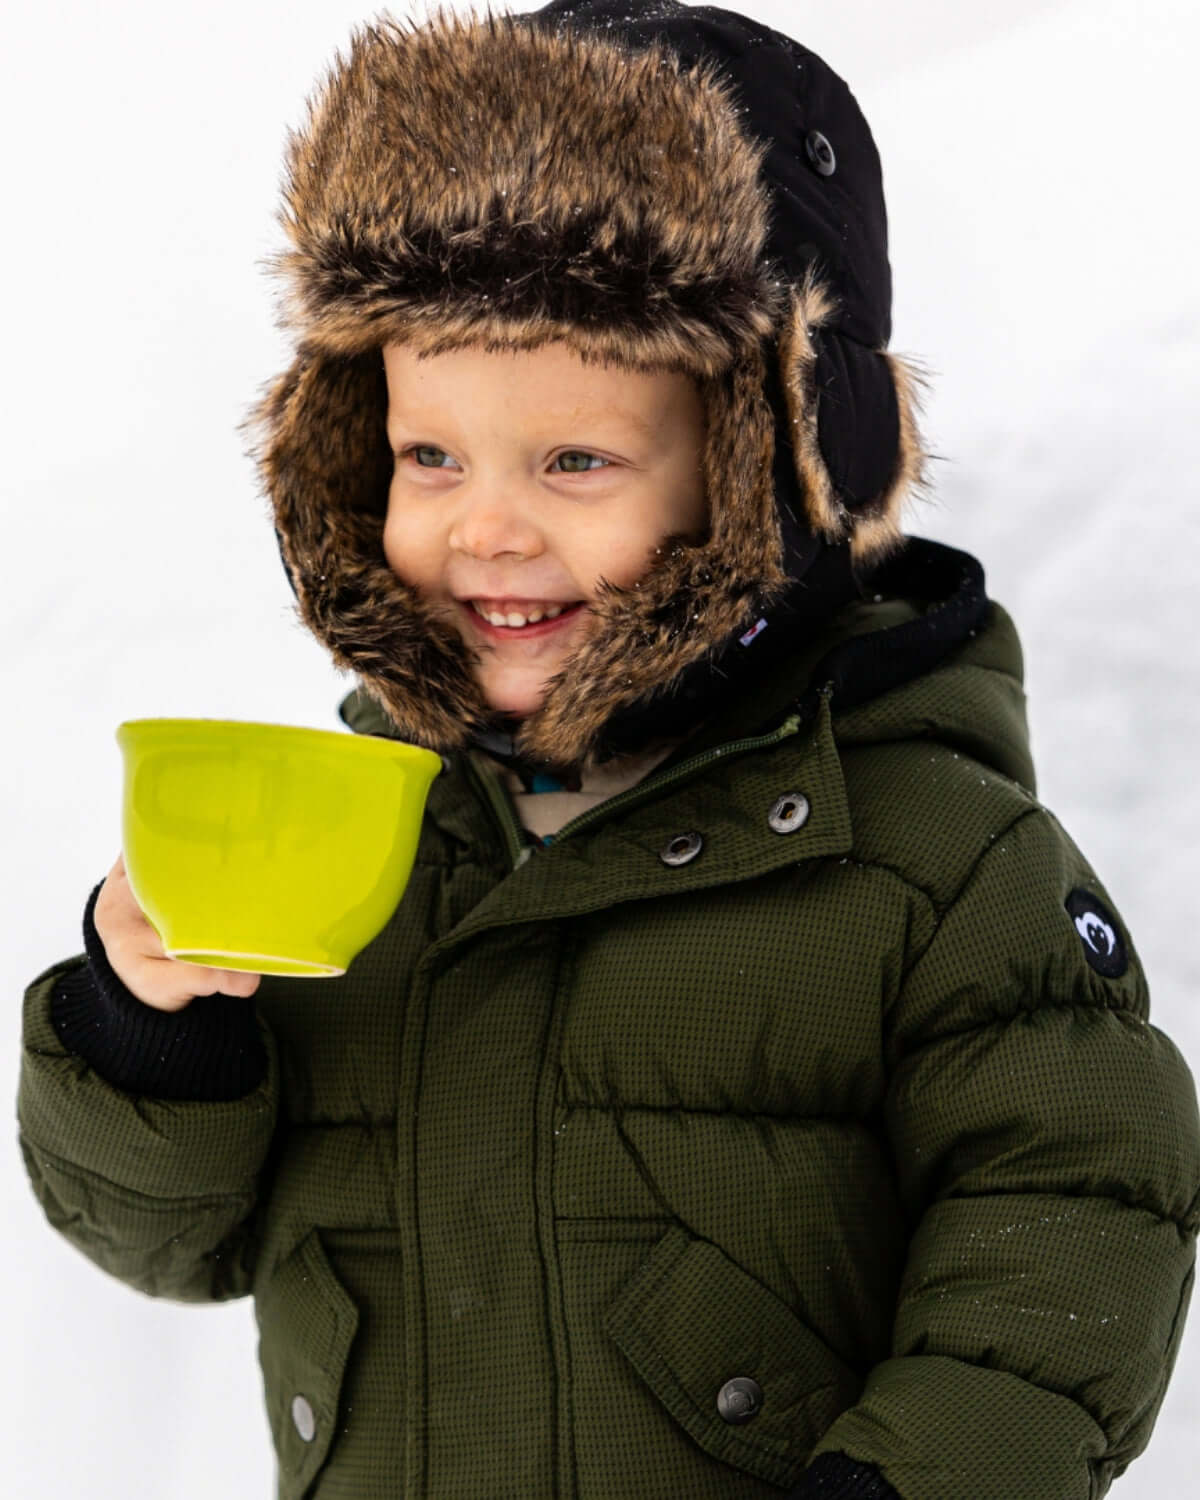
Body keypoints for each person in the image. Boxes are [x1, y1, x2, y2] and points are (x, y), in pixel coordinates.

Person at [17, 3, 1200, 1497]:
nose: (488, 527)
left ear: (772, 466)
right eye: (429, 456)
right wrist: (156, 1026)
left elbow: (1080, 1214)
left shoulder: (925, 854)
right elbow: (178, 1240)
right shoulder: (372, 839)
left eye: (575, 460)